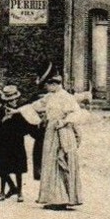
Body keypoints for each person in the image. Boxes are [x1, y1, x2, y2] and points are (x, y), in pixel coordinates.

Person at [31, 75, 84, 209]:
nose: (47, 88)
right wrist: (19, 111)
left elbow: (76, 113)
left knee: (61, 161)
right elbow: (36, 106)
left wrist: (64, 121)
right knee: (50, 163)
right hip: (51, 130)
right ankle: (55, 198)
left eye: (48, 85)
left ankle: (63, 199)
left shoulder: (66, 97)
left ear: (54, 84)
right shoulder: (50, 96)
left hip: (63, 131)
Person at [0, 86, 32, 202]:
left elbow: (26, 127)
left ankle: (19, 192)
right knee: (3, 168)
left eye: (14, 99)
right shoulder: (1, 111)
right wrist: (4, 120)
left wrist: (18, 126)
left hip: (17, 142)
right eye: (10, 100)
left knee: (18, 169)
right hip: (4, 143)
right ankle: (2, 192)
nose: (13, 102)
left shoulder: (20, 110)